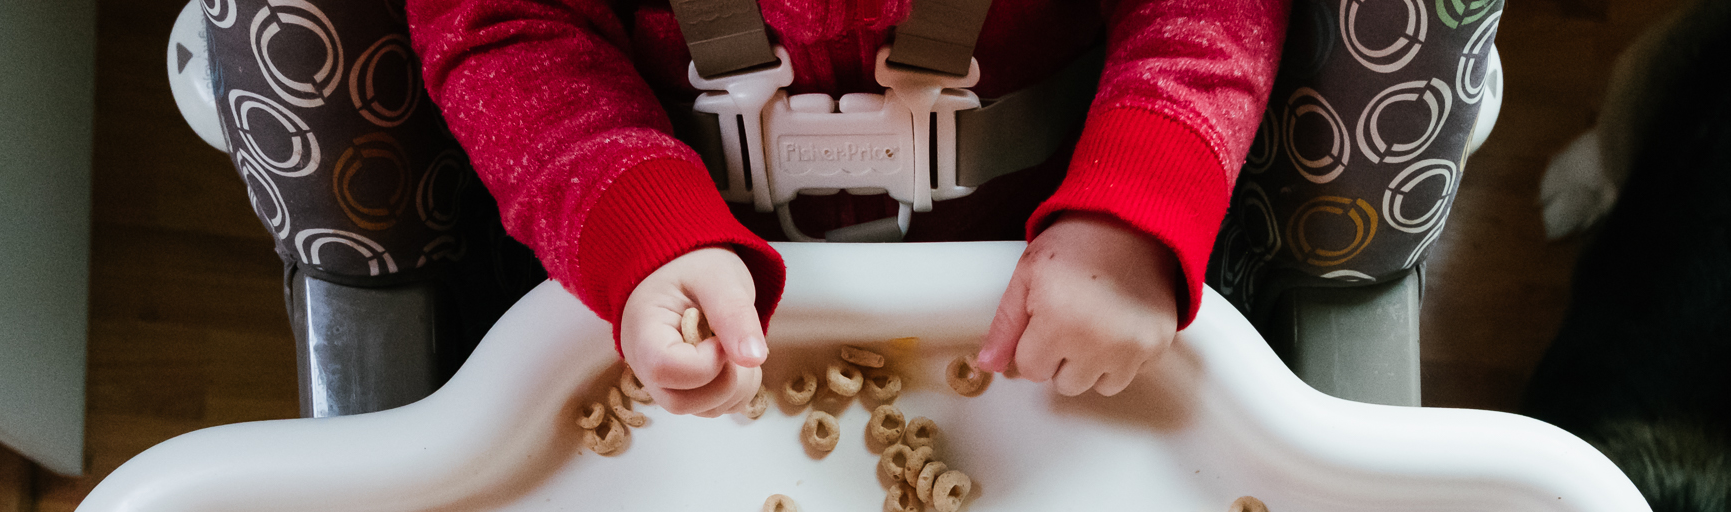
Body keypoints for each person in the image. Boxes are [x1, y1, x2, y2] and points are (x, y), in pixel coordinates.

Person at [409, 0, 1289, 417]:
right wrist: (639, 226)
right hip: (688, 286)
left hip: (1045, 285)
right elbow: (511, 33)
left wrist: (1135, 208)